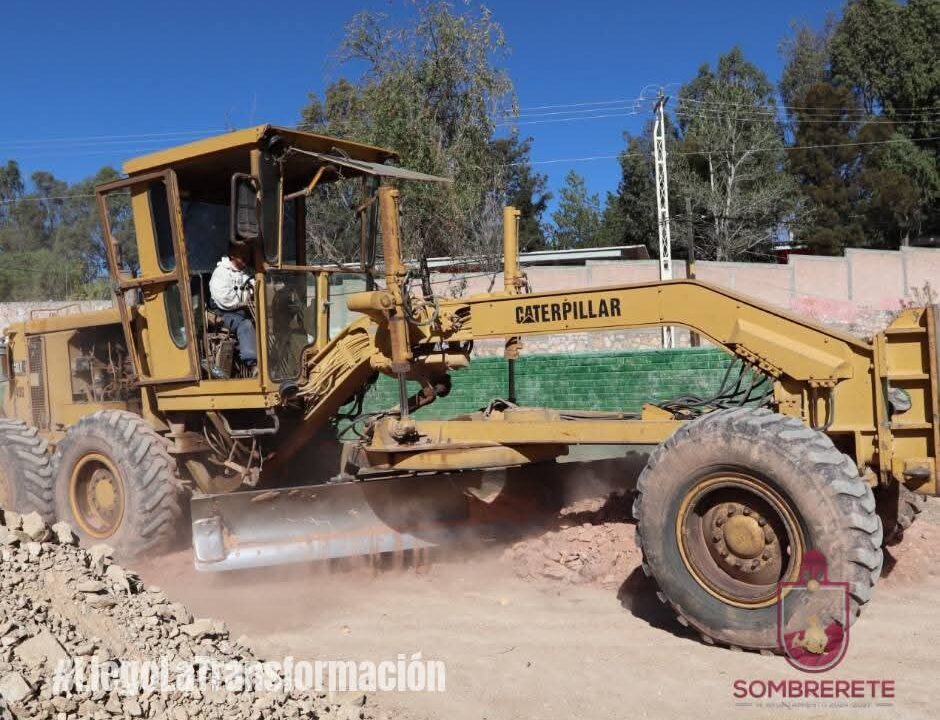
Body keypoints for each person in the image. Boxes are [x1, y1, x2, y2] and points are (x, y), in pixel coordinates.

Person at [209, 243, 257, 369]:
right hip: (224, 313)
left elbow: (257, 287)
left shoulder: (248, 272)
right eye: (242, 253)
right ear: (232, 255)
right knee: (245, 324)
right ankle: (253, 364)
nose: (245, 256)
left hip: (243, 310)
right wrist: (247, 300)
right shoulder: (221, 273)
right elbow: (225, 300)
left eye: (247, 253)